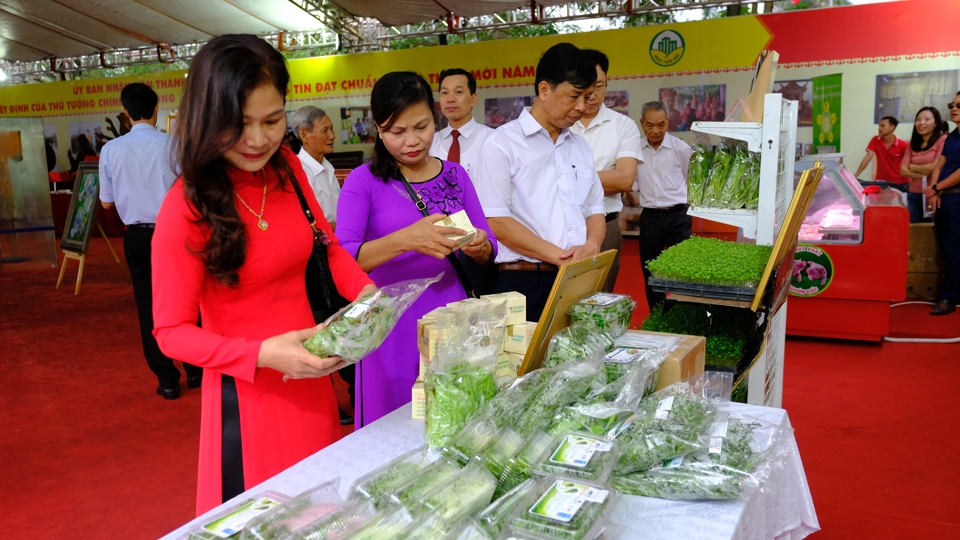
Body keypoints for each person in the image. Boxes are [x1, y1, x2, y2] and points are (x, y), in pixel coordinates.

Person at [150, 34, 376, 514]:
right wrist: (261, 355)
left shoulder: (288, 168)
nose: (257, 140)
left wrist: (368, 295)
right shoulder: (187, 206)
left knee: (322, 511)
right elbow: (170, 333)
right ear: (207, 119)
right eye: (239, 124)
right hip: (247, 395)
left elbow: (328, 247)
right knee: (270, 516)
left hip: (313, 379)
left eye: (272, 121)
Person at [336, 71, 497, 427]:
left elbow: (488, 244)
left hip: (450, 318)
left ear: (435, 118)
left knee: (453, 420)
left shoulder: (455, 175)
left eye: (421, 127)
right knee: (390, 426)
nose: (412, 141)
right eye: (397, 132)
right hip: (390, 322)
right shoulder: (364, 182)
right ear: (378, 128)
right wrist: (407, 239)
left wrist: (480, 246)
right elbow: (343, 256)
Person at [475, 42, 605, 321]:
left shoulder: (580, 146)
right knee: (523, 364)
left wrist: (593, 243)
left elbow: (595, 208)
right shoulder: (501, 144)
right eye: (574, 96)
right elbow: (497, 221)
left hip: (576, 278)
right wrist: (559, 256)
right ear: (544, 90)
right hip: (525, 281)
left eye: (587, 97)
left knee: (577, 361)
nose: (582, 107)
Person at [98, 82, 203, 400]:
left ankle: (167, 378)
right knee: (189, 298)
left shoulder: (111, 150)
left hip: (137, 237)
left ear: (125, 112)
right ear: (157, 109)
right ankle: (197, 369)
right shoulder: (175, 145)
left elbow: (106, 203)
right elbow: (193, 191)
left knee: (148, 306)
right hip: (176, 233)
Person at [290, 105, 355, 425]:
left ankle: (353, 390)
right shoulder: (298, 171)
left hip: (334, 254)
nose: (332, 136)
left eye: (332, 129)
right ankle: (330, 398)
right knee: (321, 326)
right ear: (304, 135)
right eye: (325, 130)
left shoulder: (326, 167)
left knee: (341, 322)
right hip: (312, 261)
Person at [570, 49, 642, 292]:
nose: (591, 94)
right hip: (560, 227)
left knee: (600, 303)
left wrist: (567, 176)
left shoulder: (623, 126)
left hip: (607, 225)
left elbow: (624, 180)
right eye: (585, 86)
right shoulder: (561, 124)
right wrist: (602, 177)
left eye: (598, 86)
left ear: (607, 84)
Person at [429, 68, 499, 295]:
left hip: (478, 241)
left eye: (458, 92)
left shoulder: (493, 140)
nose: (450, 99)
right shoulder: (430, 142)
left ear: (473, 99)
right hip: (438, 241)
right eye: (445, 93)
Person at [635, 101, 693, 311]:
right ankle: (658, 315)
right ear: (642, 123)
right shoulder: (636, 151)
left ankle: (682, 313)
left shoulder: (681, 149)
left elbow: (691, 180)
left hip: (678, 217)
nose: (656, 131)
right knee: (651, 271)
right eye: (650, 125)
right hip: (650, 218)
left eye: (661, 124)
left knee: (683, 270)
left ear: (668, 122)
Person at [923, 92, 960, 316]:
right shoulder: (953, 136)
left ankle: (948, 298)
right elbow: (939, 164)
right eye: (952, 105)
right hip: (945, 199)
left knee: (954, 251)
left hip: (957, 199)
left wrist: (937, 188)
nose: (954, 108)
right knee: (947, 250)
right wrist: (935, 192)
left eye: (959, 105)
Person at [901, 107, 947, 223]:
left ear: (936, 123)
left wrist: (913, 167)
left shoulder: (942, 140)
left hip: (935, 194)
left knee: (934, 232)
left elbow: (936, 168)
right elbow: (902, 171)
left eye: (927, 119)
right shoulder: (912, 144)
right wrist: (927, 170)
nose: (921, 123)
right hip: (914, 194)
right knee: (915, 232)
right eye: (918, 119)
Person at [854, 116, 908, 189]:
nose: (879, 128)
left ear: (892, 127)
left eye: (883, 126)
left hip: (900, 183)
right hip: (882, 183)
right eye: (879, 126)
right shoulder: (875, 140)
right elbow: (867, 157)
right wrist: (855, 176)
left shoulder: (903, 145)